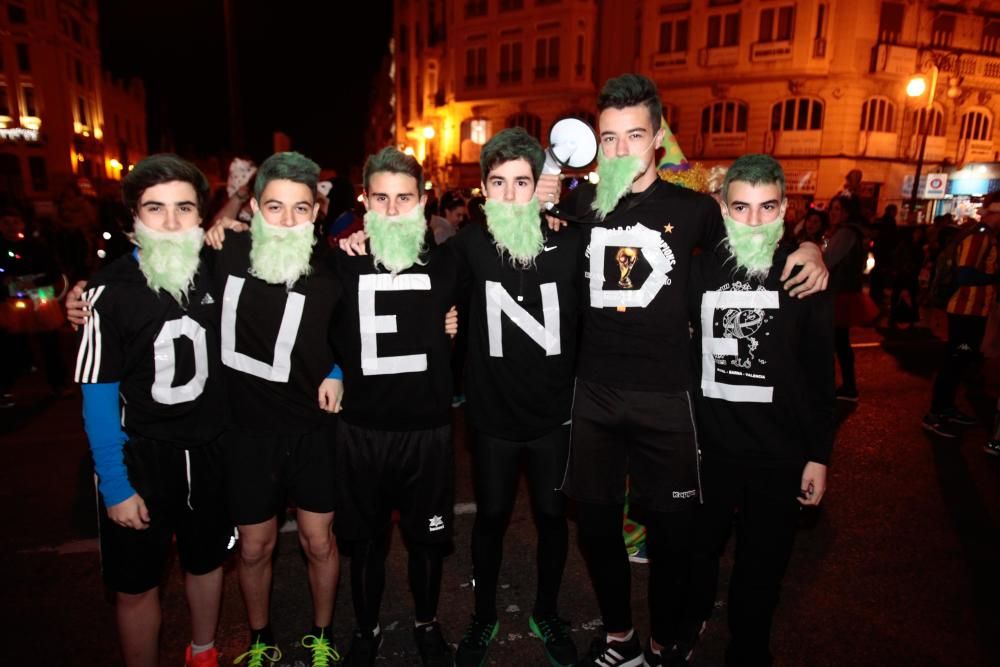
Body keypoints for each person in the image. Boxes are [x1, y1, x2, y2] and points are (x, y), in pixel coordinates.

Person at [550, 73, 828, 667]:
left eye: (634, 135)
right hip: (594, 394)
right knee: (596, 528)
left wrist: (813, 248)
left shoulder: (697, 210)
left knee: (675, 536)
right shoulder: (577, 207)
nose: (622, 149)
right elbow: (510, 222)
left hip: (669, 400)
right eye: (610, 137)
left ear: (657, 140)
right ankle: (621, 638)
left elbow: (760, 237)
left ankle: (661, 642)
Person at [73, 154, 234, 667]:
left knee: (206, 563)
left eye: (184, 208)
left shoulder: (220, 270)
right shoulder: (108, 292)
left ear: (201, 216)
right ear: (133, 220)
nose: (170, 222)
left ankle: (203, 652)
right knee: (136, 583)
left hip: (210, 449)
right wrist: (115, 484)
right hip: (142, 455)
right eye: (155, 208)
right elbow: (97, 394)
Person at [676, 154, 834, 666]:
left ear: (785, 207)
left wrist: (819, 456)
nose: (754, 220)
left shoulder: (802, 275)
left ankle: (748, 650)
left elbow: (818, 378)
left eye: (767, 208)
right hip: (710, 451)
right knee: (698, 555)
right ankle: (692, 620)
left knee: (762, 569)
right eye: (740, 207)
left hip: (779, 455)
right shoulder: (698, 269)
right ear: (722, 208)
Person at [444, 128, 582, 667]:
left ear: (538, 186)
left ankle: (546, 611)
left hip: (554, 415)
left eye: (521, 182)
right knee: (491, 518)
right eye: (497, 182)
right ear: (482, 188)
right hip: (493, 416)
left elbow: (627, 225)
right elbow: (411, 276)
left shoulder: (569, 241)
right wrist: (355, 240)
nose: (508, 194)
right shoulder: (469, 245)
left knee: (552, 517)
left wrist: (569, 205)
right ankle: (483, 616)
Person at [209, 152, 343, 666]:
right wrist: (83, 299)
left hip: (312, 431)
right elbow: (155, 276)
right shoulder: (224, 250)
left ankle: (322, 635)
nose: (288, 220)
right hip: (246, 432)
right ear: (255, 209)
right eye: (275, 207)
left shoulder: (333, 263)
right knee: (254, 549)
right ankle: (261, 639)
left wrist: (339, 372)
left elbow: (354, 334)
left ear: (317, 211)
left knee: (319, 543)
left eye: (300, 209)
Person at [331, 147, 458, 667]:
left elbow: (519, 253)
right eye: (379, 198)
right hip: (362, 430)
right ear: (364, 202)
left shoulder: (451, 260)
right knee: (365, 544)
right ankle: (367, 628)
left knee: (427, 542)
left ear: (423, 202)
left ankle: (427, 623)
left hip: (427, 429)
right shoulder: (339, 258)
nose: (390, 209)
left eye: (403, 198)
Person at [921, 194, 999, 438]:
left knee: (961, 359)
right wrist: (995, 278)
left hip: (974, 312)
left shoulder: (986, 236)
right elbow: (964, 275)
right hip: (965, 311)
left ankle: (946, 408)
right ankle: (936, 413)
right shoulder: (979, 236)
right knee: (955, 359)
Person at [824, 195, 876, 402]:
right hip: (843, 292)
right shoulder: (849, 232)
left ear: (847, 212)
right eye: (832, 209)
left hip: (839, 294)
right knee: (840, 342)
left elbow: (827, 261)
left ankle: (843, 386)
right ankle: (847, 385)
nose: (833, 213)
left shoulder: (846, 233)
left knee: (833, 342)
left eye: (838, 209)